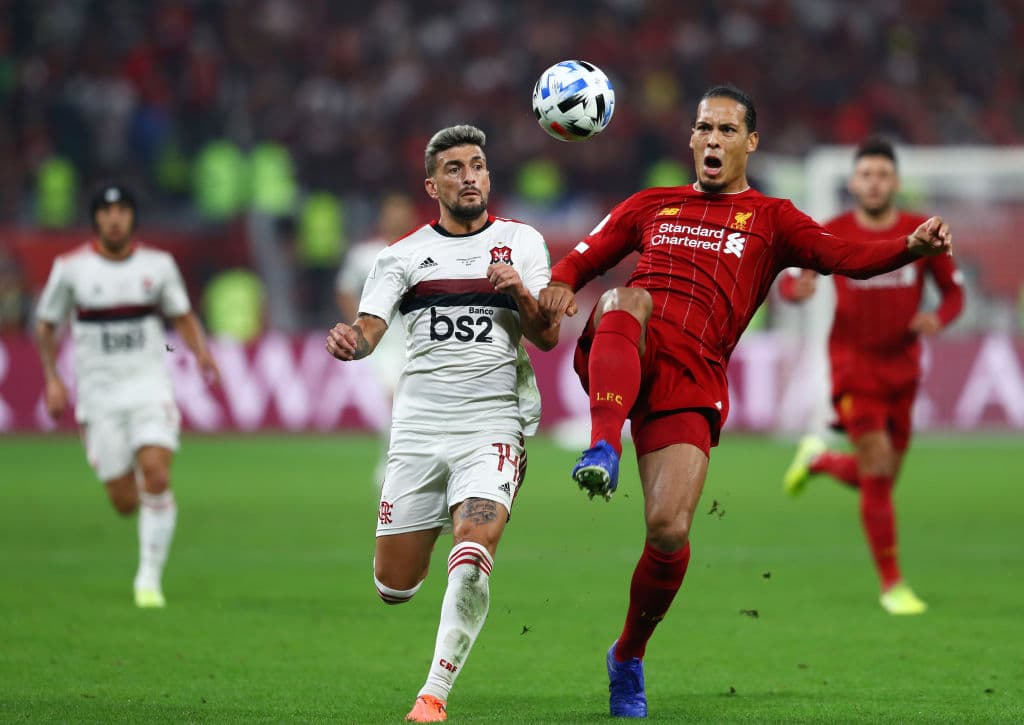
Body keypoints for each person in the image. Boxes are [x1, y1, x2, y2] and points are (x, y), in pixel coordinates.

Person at [538, 86, 953, 718]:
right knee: (625, 299)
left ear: (750, 142)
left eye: (727, 130)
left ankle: (626, 656)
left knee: (669, 531)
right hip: (630, 342)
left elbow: (844, 257)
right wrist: (562, 286)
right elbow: (582, 260)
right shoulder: (653, 204)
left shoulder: (773, 218)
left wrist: (908, 248)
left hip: (694, 376)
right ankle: (603, 443)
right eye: (703, 128)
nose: (712, 139)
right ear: (690, 138)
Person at [325, 125, 559, 723]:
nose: (469, 176)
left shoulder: (521, 243)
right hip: (419, 431)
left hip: (492, 424)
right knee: (394, 585)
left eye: (477, 165)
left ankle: (433, 695)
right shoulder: (400, 257)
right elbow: (370, 333)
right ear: (434, 185)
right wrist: (351, 343)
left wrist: (520, 297)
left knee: (475, 545)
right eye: (454, 169)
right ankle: (427, 528)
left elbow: (547, 336)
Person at [778, 137, 963, 615]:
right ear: (853, 182)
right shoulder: (833, 231)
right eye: (866, 174)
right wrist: (797, 289)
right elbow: (791, 277)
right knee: (877, 472)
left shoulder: (919, 233)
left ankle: (818, 461)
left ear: (896, 182)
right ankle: (892, 584)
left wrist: (936, 320)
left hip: (903, 367)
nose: (875, 182)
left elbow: (953, 295)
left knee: (876, 477)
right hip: (853, 364)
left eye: (883, 174)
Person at [35, 184, 220, 608]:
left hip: (148, 385)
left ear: (132, 217)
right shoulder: (71, 269)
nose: (114, 217)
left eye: (121, 210)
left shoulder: (158, 265)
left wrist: (202, 354)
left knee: (156, 473)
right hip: (98, 394)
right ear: (96, 219)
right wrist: (52, 378)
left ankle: (148, 579)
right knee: (123, 501)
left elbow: (182, 314)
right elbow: (46, 325)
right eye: (106, 210)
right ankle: (150, 508)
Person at [335, 192, 416, 485]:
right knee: (397, 401)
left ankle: (404, 464)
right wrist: (359, 324)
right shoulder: (365, 255)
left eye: (401, 211)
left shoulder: (422, 251)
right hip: (384, 345)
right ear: (382, 217)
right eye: (391, 212)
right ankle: (390, 465)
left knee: (412, 406)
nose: (397, 218)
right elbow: (344, 288)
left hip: (419, 342)